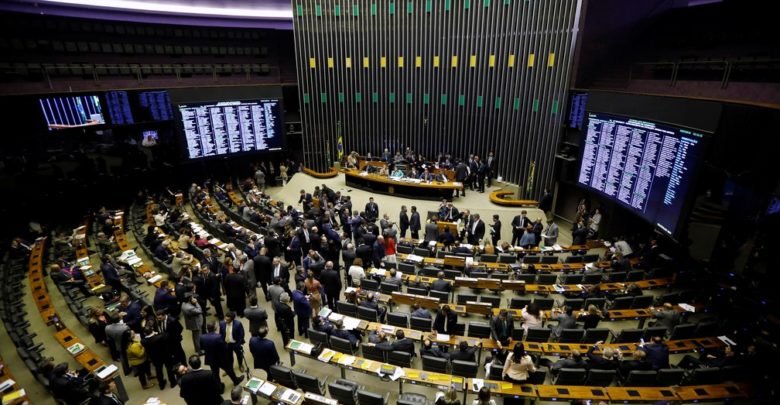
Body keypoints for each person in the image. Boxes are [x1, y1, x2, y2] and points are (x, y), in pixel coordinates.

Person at [200, 322, 244, 386]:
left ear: (207, 329)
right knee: (229, 370)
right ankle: (236, 381)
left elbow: (202, 348)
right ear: (215, 328)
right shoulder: (219, 337)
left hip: (211, 358)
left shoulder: (202, 337)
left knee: (215, 373)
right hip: (221, 358)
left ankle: (219, 386)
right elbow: (225, 348)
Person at [142, 325, 177, 389]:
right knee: (169, 368)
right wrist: (156, 333)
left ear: (145, 333)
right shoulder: (161, 337)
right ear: (152, 330)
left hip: (155, 358)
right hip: (165, 355)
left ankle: (161, 384)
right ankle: (172, 382)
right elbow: (166, 335)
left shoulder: (143, 341)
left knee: (158, 370)